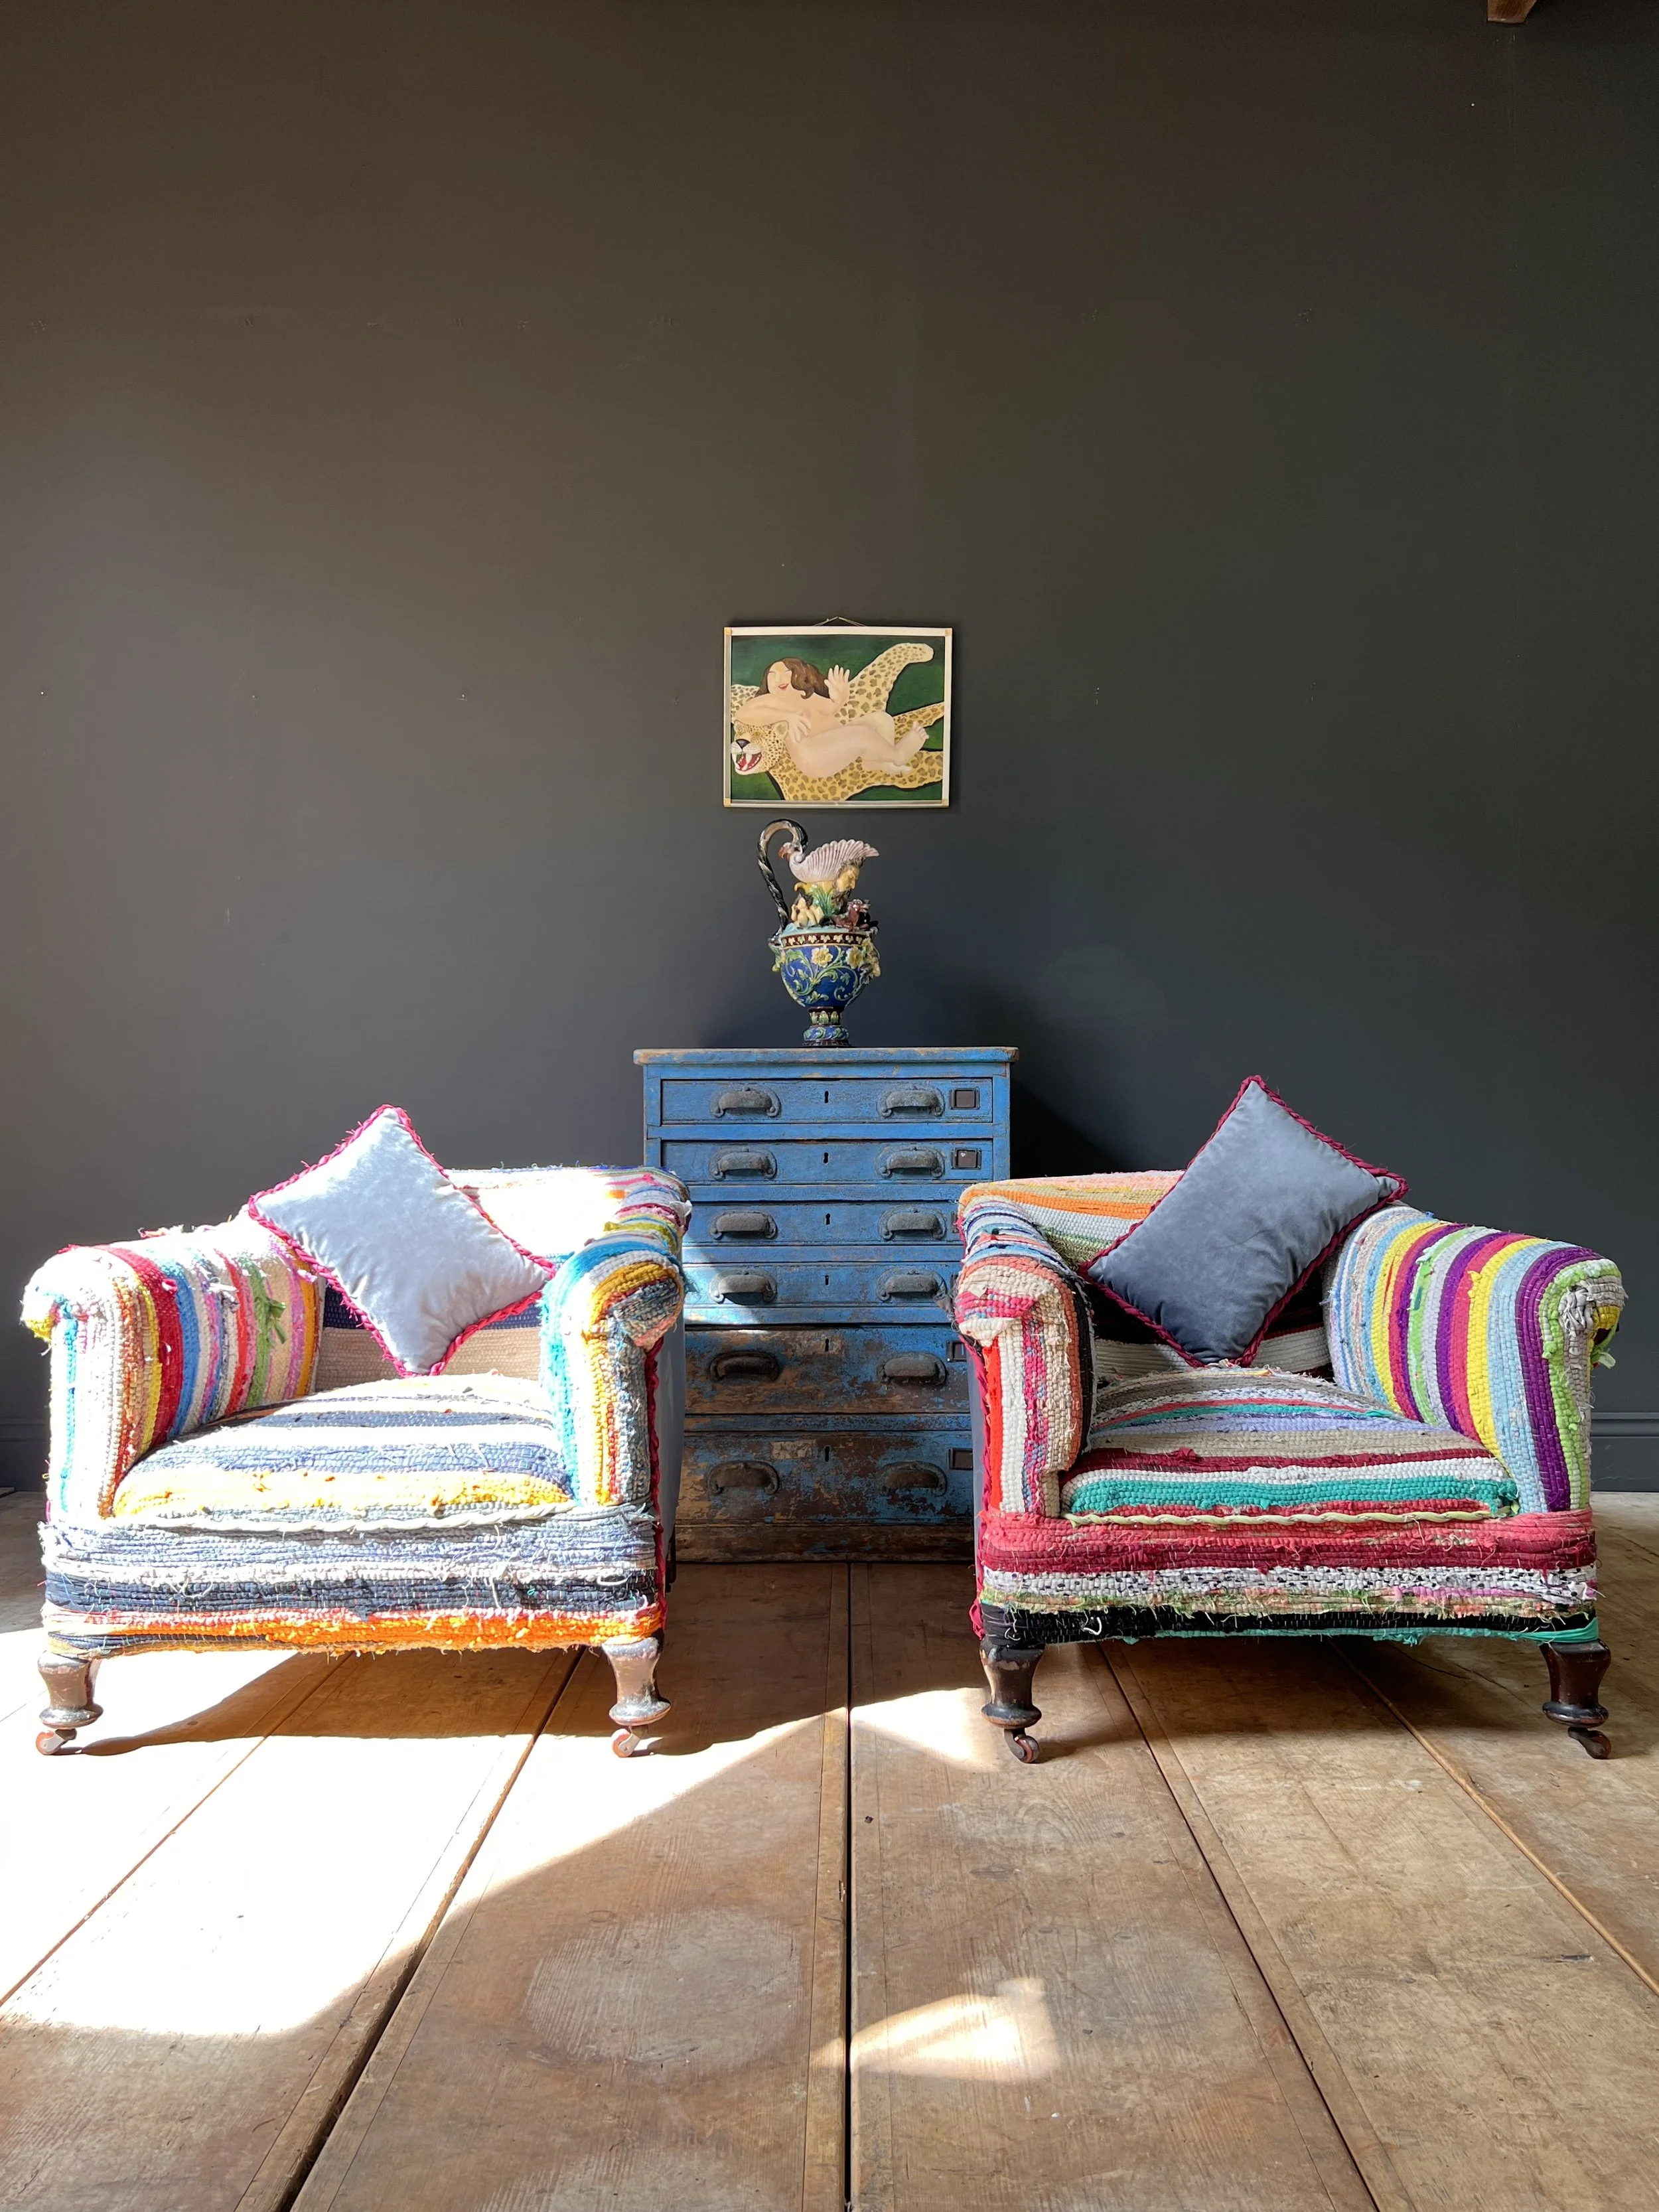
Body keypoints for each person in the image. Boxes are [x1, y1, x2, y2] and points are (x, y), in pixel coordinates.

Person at [732, 658, 930, 779]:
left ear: (800, 675)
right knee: (861, 734)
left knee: (881, 720)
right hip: (813, 756)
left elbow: (829, 710)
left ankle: (874, 761)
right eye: (772, 675)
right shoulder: (771, 700)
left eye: (786, 673)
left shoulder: (806, 696)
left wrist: (840, 699)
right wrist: (786, 717)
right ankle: (897, 755)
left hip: (831, 744)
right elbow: (743, 714)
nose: (779, 679)